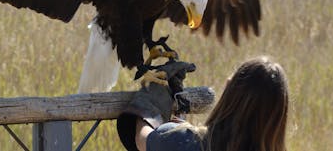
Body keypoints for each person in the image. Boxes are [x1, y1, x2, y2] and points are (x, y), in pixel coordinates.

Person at [117, 56, 289, 151]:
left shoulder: (184, 141)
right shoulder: (185, 139)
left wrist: (148, 103)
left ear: (229, 90)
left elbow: (143, 140)